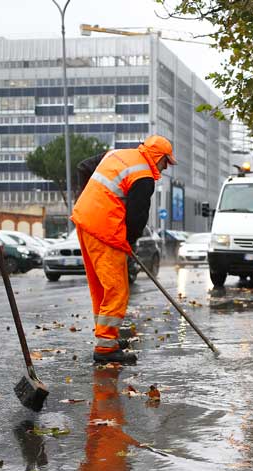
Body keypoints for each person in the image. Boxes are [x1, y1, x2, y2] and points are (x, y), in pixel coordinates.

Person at [71, 135, 177, 364]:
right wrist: (128, 242)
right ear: (158, 157)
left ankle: (106, 338)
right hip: (105, 230)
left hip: (85, 221)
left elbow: (84, 167)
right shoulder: (144, 176)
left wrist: (87, 200)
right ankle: (105, 348)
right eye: (166, 161)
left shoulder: (116, 155)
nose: (166, 167)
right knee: (117, 289)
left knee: (101, 288)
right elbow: (137, 217)